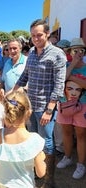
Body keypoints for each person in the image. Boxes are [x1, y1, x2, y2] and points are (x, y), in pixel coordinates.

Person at [12, 19, 66, 187]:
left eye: (39, 35)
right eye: (33, 35)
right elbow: (25, 75)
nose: (36, 38)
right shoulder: (33, 54)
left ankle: (49, 179)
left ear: (48, 34)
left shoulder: (57, 54)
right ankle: (38, 171)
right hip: (30, 106)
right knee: (33, 139)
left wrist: (49, 110)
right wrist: (13, 92)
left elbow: (59, 84)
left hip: (45, 108)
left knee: (46, 141)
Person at [0, 90, 46, 187]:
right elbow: (41, 173)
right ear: (28, 113)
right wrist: (42, 158)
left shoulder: (0, 134)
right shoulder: (34, 140)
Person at [56, 38, 86, 179]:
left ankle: (80, 164)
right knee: (66, 132)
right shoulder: (65, 65)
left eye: (81, 50)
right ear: (70, 52)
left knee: (80, 135)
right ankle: (67, 157)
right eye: (75, 50)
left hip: (82, 105)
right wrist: (73, 64)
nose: (78, 53)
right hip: (64, 104)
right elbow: (61, 82)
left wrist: (72, 76)